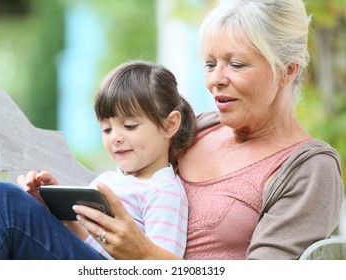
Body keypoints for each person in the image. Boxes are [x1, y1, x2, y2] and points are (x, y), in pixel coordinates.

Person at [58, 0, 344, 259]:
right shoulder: (196, 128)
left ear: (287, 70)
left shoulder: (309, 169)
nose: (215, 80)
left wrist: (144, 257)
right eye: (210, 64)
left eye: (236, 64)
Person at [0, 61, 196, 259]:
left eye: (130, 126)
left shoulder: (163, 191)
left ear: (169, 124)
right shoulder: (112, 179)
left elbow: (161, 265)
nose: (116, 138)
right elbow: (89, 244)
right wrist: (54, 209)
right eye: (107, 130)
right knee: (5, 202)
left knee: (2, 201)